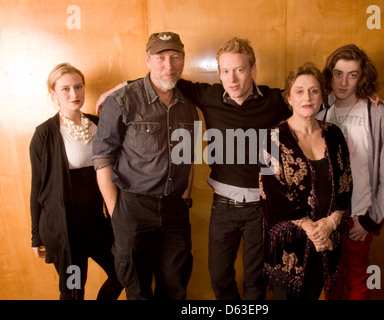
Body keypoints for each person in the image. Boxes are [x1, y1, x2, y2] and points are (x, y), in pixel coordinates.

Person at [96, 37, 292, 300]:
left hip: (258, 204)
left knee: (250, 279)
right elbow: (161, 79)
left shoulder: (276, 100)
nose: (232, 79)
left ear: (253, 70)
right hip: (209, 205)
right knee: (214, 278)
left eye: (240, 70)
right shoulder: (207, 95)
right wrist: (123, 86)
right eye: (225, 71)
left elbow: (309, 98)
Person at [92, 32, 198, 300]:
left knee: (175, 285)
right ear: (148, 60)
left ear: (183, 60)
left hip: (175, 209)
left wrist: (185, 197)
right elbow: (103, 158)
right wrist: (118, 212)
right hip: (133, 207)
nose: (169, 65)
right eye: (160, 57)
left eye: (175, 57)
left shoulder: (188, 105)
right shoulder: (123, 100)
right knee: (137, 288)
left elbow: (190, 155)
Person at [29, 63, 123, 300]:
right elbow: (37, 187)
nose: (74, 94)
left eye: (78, 87)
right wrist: (35, 237)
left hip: (96, 224)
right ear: (54, 94)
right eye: (66, 89)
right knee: (73, 290)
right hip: (64, 231)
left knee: (123, 272)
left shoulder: (99, 124)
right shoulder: (45, 134)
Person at [259, 62, 353, 300]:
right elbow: (272, 197)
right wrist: (312, 230)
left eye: (314, 90)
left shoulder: (334, 134)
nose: (307, 97)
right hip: (290, 248)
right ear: (289, 98)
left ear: (322, 95)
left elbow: (345, 183)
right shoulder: (272, 138)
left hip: (328, 241)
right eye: (299, 91)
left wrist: (331, 223)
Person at [317, 44, 384, 300]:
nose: (343, 82)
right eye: (338, 73)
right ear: (330, 75)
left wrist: (371, 220)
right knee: (328, 282)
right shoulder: (320, 113)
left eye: (352, 75)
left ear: (362, 77)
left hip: (360, 216)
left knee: (357, 282)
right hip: (328, 216)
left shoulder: (378, 114)